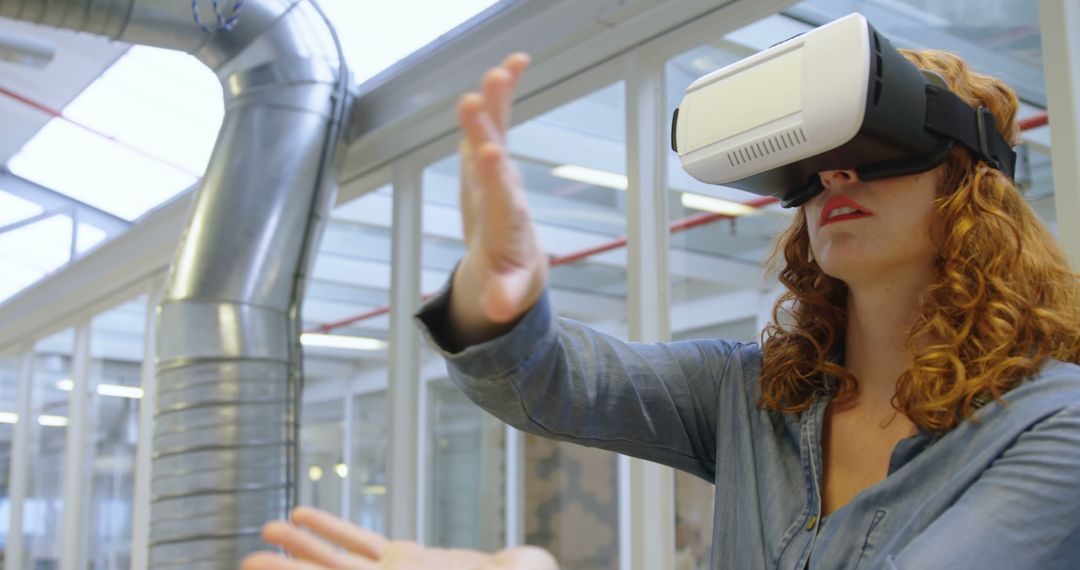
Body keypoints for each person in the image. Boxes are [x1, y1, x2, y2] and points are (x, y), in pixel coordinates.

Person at [242, 43, 1080, 569]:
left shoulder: (1055, 427)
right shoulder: (752, 397)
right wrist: (492, 296)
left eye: (877, 142)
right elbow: (550, 382)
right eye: (818, 156)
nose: (836, 177)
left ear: (973, 184)